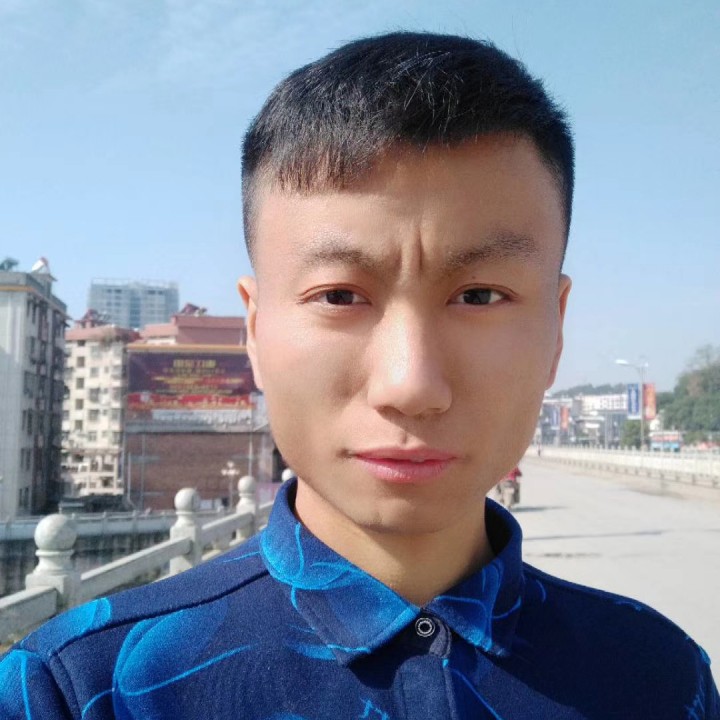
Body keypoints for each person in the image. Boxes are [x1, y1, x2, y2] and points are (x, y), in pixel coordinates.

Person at [1, 32, 717, 719]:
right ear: (255, 328)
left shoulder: (658, 678)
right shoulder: (84, 691)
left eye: (479, 296)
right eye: (340, 295)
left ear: (556, 327)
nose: (411, 386)